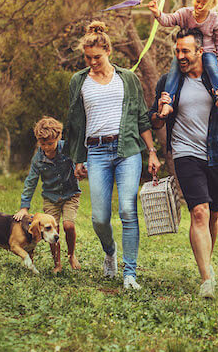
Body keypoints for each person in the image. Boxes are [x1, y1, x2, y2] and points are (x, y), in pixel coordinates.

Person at [63, 21, 161, 290]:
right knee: (100, 218)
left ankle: (130, 273)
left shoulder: (127, 78)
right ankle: (110, 251)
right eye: (88, 57)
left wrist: (151, 152)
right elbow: (74, 122)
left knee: (128, 210)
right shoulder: (78, 81)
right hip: (96, 152)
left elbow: (142, 118)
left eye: (97, 57)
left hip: (127, 150)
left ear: (109, 52)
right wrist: (77, 158)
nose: (92, 62)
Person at [148, 28, 218, 299]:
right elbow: (154, 120)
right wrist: (159, 110)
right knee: (199, 212)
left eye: (185, 51)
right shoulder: (169, 81)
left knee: (213, 213)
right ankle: (206, 280)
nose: (180, 56)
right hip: (184, 153)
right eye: (177, 51)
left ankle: (207, 264)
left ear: (200, 51)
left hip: (216, 154)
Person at [147, 0, 218, 110]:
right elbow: (169, 20)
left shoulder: (215, 19)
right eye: (198, 1)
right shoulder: (185, 13)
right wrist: (158, 13)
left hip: (207, 52)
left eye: (204, 3)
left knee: (212, 68)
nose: (200, 6)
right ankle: (168, 102)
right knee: (174, 70)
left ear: (212, 5)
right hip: (186, 53)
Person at [14, 116, 81, 273]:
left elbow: (81, 161)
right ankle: (57, 263)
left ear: (58, 138)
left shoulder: (68, 149)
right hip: (51, 198)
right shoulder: (38, 159)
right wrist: (24, 207)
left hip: (70, 195)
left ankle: (71, 255)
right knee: (52, 229)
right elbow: (31, 182)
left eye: (50, 143)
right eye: (42, 144)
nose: (47, 147)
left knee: (68, 225)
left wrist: (82, 169)